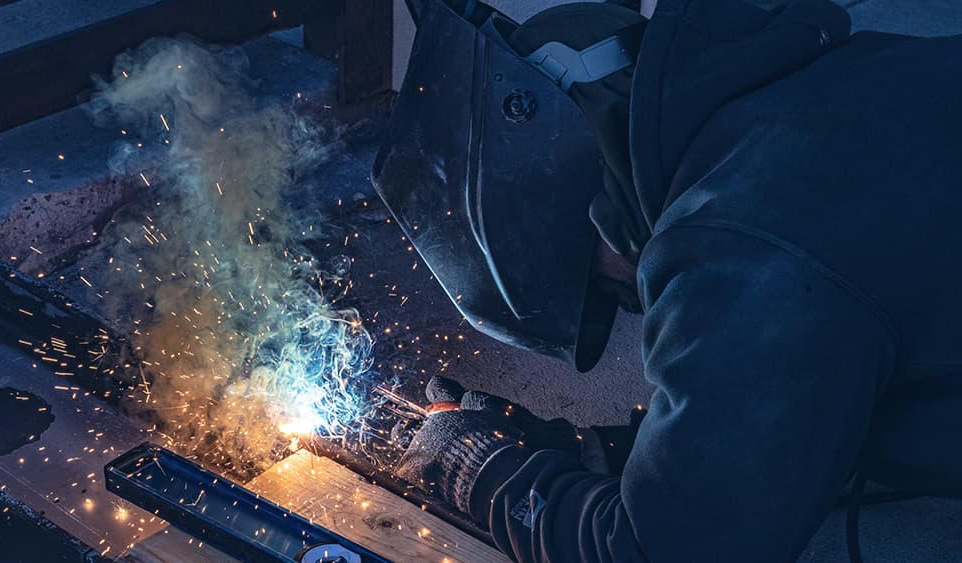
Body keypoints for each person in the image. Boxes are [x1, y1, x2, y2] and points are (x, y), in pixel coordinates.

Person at [370, 0, 962, 560]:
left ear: (577, 196)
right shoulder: (791, 97)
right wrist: (599, 454)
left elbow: (660, 551)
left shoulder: (739, 246)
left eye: (599, 285)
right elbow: (776, 408)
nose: (631, 307)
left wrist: (482, 471)